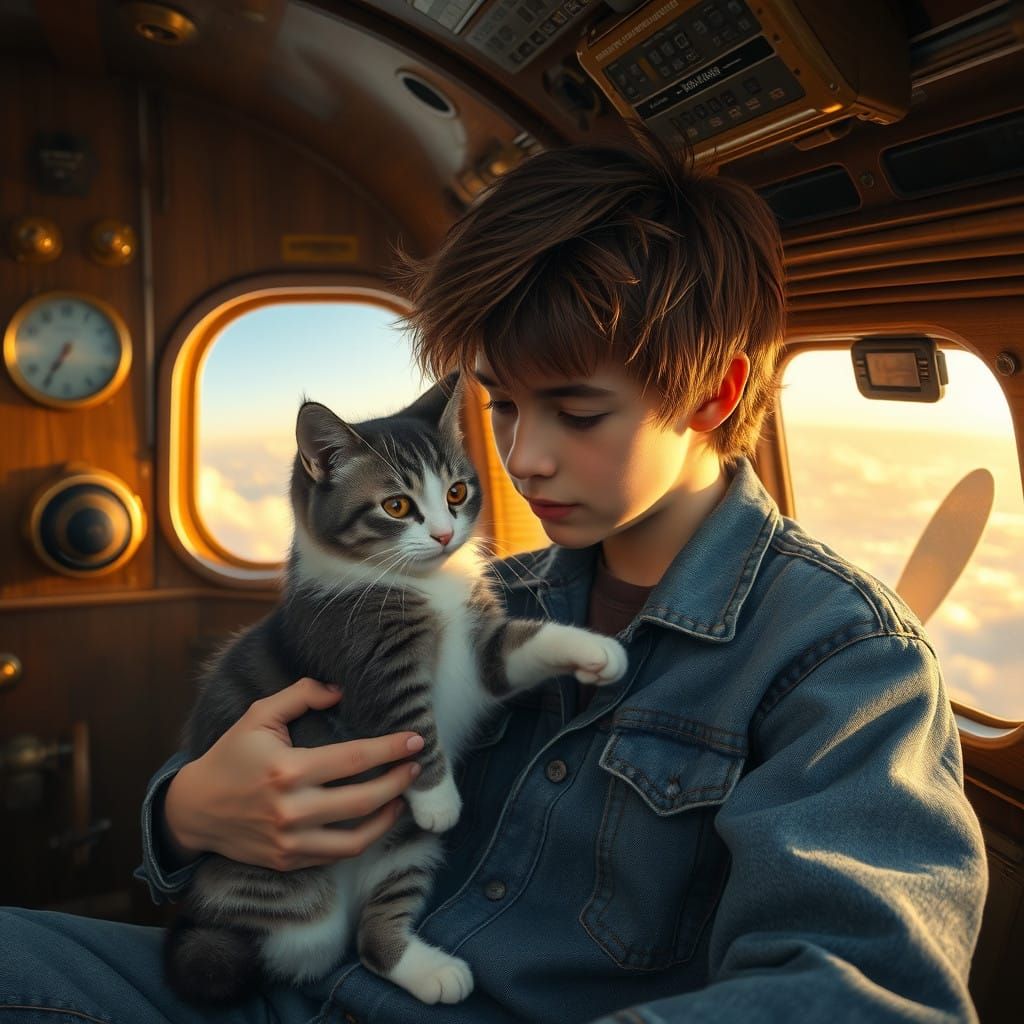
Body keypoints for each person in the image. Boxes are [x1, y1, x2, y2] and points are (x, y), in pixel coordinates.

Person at [0, 125, 987, 1024]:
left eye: (576, 412)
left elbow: (861, 995)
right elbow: (259, 765)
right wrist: (181, 816)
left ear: (713, 390)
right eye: (504, 407)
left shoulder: (840, 659)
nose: (521, 458)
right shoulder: (486, 595)